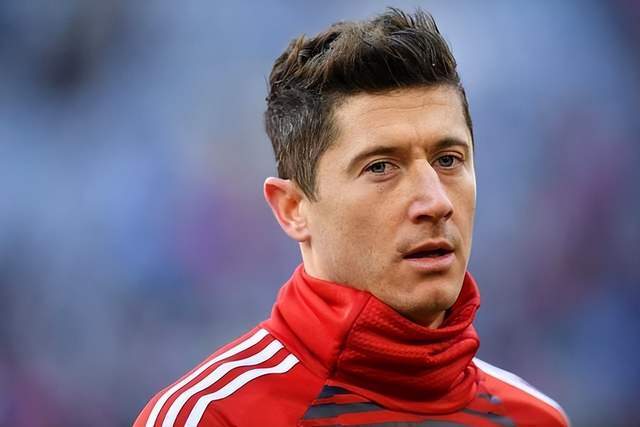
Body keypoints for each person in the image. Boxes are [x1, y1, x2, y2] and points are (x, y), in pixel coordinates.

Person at [135, 8, 570, 427]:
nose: (436, 202)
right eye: (380, 167)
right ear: (293, 209)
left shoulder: (535, 418)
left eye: (448, 160)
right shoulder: (211, 417)